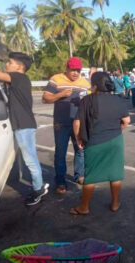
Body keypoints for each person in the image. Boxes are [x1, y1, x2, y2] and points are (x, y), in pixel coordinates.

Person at [0, 52, 48, 205]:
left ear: (19, 67)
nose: (6, 64)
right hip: (23, 125)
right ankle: (39, 186)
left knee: (30, 160)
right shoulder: (18, 80)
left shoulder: (19, 77)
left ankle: (38, 189)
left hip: (24, 126)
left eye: (9, 62)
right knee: (30, 158)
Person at [71, 72, 130, 215]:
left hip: (94, 141)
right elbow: (126, 121)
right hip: (115, 140)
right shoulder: (118, 100)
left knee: (91, 175)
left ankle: (84, 207)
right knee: (116, 173)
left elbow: (77, 122)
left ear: (95, 85)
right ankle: (115, 203)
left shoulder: (87, 100)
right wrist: (118, 131)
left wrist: (79, 138)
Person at [42, 57, 90, 194]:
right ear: (66, 68)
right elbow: (46, 98)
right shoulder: (56, 79)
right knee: (60, 152)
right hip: (61, 123)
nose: (75, 73)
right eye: (73, 70)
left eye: (78, 70)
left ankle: (79, 176)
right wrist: (61, 94)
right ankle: (60, 181)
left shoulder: (84, 82)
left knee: (80, 150)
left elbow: (89, 101)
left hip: (79, 122)